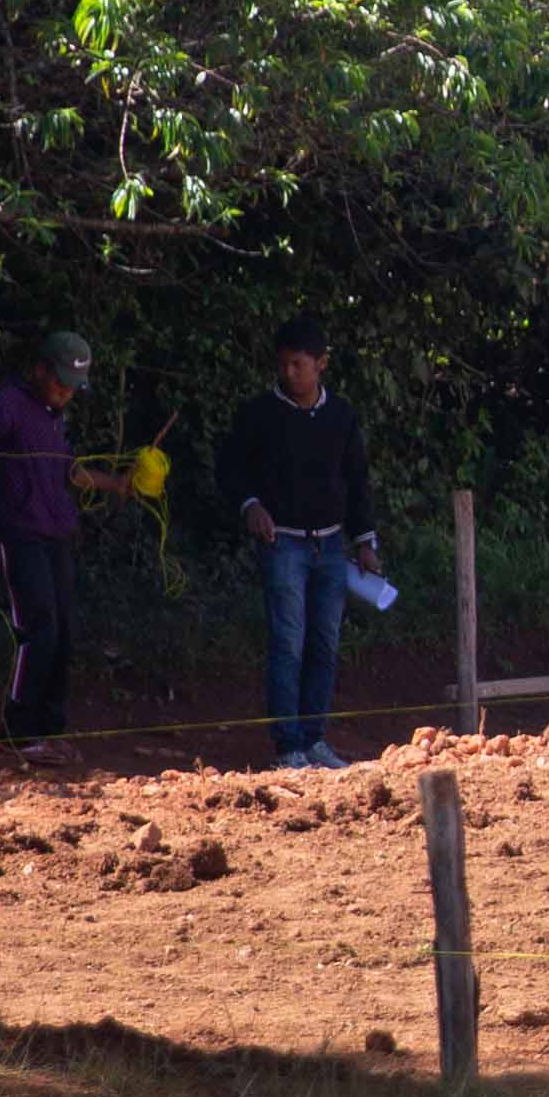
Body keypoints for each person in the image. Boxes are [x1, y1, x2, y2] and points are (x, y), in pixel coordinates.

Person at [223, 315, 378, 768]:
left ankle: (314, 739)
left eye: (298, 364)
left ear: (322, 363)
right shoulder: (259, 414)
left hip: (330, 546)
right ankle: (288, 746)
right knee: (288, 642)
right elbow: (230, 469)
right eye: (283, 365)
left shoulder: (341, 416)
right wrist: (250, 504)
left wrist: (366, 541)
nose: (289, 373)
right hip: (283, 544)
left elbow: (357, 482)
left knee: (324, 644)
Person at [0, 329, 116, 745]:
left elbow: (71, 471)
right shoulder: (10, 400)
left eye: (73, 387)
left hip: (56, 534)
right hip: (18, 533)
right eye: (61, 382)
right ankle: (19, 731)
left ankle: (50, 730)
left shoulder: (55, 415)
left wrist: (121, 484)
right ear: (39, 370)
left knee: (64, 629)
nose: (66, 392)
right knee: (39, 626)